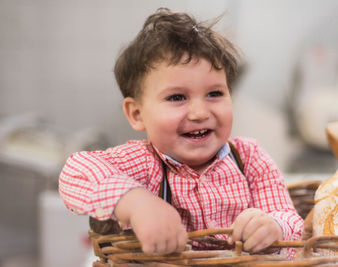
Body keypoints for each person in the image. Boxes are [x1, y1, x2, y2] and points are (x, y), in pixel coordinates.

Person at [58, 8, 303, 259]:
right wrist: (137, 203)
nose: (199, 112)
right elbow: (75, 172)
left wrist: (273, 227)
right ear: (137, 114)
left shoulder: (249, 158)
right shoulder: (143, 163)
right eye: (177, 97)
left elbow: (292, 221)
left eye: (215, 93)